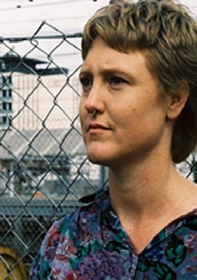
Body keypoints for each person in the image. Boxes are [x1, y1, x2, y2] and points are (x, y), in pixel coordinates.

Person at [30, 0, 197, 278]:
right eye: (86, 82)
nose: (91, 102)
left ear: (174, 99)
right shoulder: (63, 241)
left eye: (116, 80)